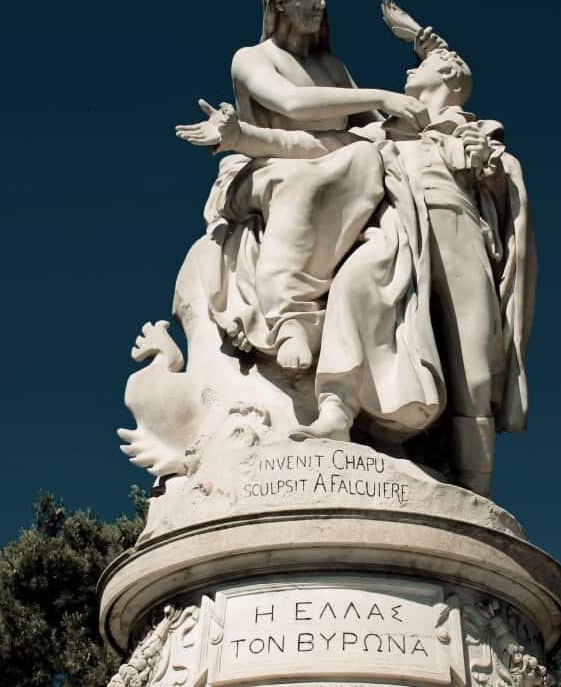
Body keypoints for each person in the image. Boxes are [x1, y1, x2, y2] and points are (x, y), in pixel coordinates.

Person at [177, 47, 536, 497]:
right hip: (401, 236)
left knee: (475, 374)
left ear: (447, 72)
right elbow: (302, 146)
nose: (407, 67)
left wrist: (488, 170)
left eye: (420, 64)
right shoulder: (380, 132)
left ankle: (475, 489)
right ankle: (336, 409)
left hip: (462, 241)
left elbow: (510, 214)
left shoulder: (485, 138)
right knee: (354, 283)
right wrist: (237, 135)